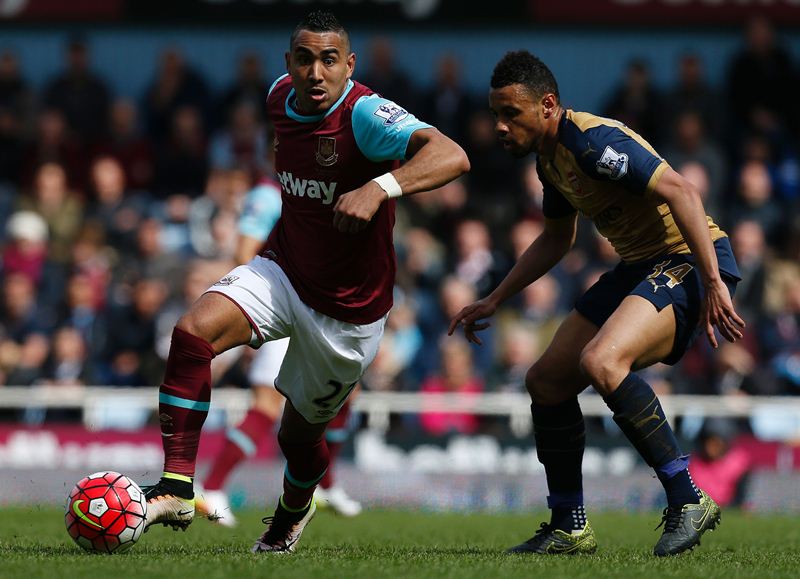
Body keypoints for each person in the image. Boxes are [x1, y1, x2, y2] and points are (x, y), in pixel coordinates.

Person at [143, 10, 469, 555]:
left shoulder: (365, 112)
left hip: (348, 312)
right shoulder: (277, 98)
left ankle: (292, 514)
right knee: (192, 332)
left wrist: (380, 188)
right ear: (287, 64)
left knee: (296, 438)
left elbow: (452, 155)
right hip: (285, 269)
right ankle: (177, 486)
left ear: (349, 65)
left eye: (329, 60)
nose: (316, 72)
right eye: (304, 59)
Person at [449, 51, 743, 557]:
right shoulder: (549, 159)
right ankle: (569, 524)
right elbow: (556, 240)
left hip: (689, 260)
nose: (499, 126)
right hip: (637, 266)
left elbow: (683, 191)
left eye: (510, 113)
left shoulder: (592, 142)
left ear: (547, 106)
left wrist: (714, 282)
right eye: (495, 113)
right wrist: (495, 297)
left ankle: (687, 498)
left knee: (603, 361)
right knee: (545, 381)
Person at [196, 170, 364, 525]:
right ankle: (211, 487)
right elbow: (244, 250)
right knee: (267, 405)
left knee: (347, 393)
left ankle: (326, 484)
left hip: (317, 308)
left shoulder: (313, 189)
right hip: (283, 306)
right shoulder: (269, 194)